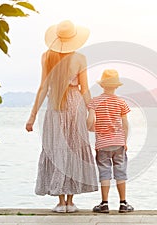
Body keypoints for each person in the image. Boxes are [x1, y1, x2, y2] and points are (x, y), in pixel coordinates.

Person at [25, 20, 98, 213]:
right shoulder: (80, 58)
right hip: (75, 106)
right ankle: (71, 202)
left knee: (56, 149)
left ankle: (60, 202)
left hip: (55, 106)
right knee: (74, 149)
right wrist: (92, 110)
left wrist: (32, 116)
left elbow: (42, 88)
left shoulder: (46, 56)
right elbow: (84, 89)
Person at [87, 69, 134, 213]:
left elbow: (90, 123)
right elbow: (125, 125)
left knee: (104, 173)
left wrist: (95, 129)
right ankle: (123, 204)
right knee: (120, 172)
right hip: (119, 143)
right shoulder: (121, 102)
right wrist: (124, 141)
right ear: (117, 86)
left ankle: (104, 204)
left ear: (102, 85)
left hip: (102, 145)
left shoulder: (94, 102)